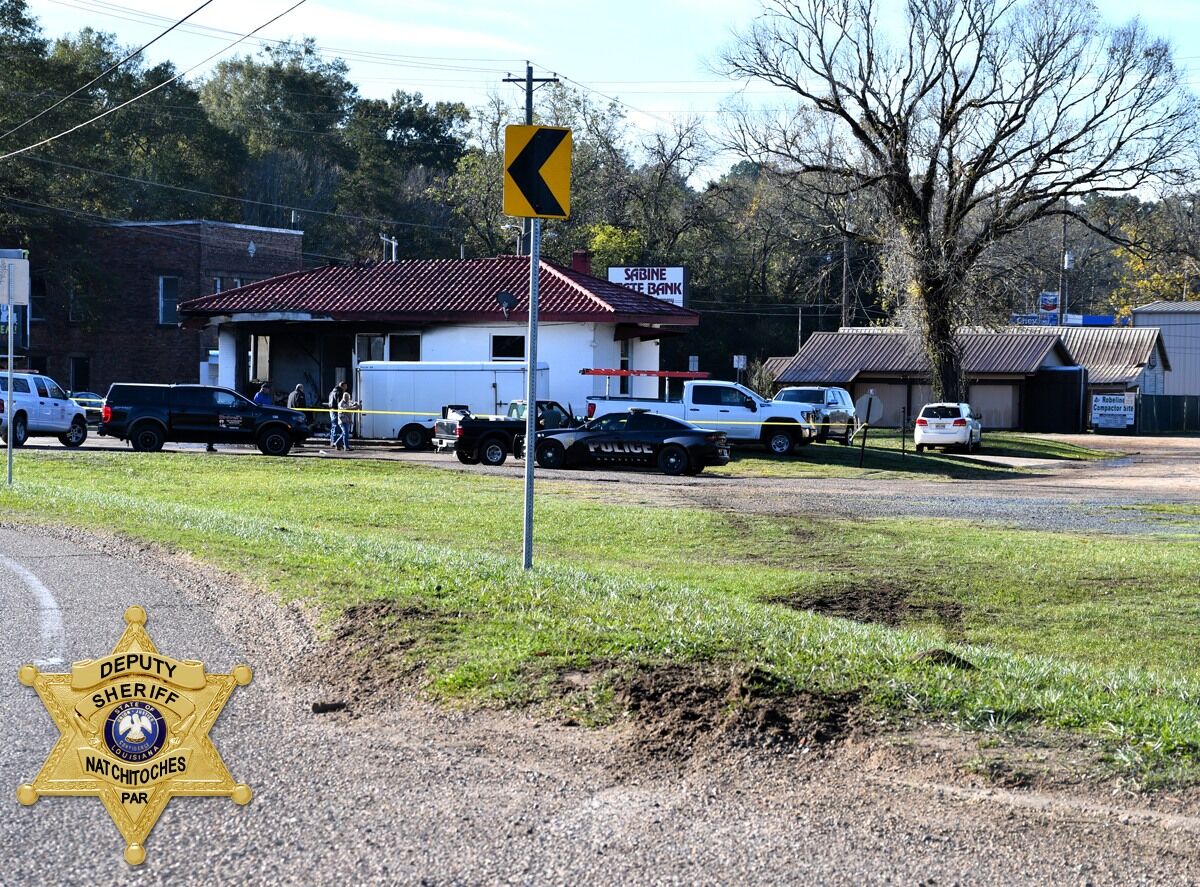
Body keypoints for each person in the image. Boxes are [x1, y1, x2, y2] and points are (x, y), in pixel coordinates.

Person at [327, 381, 349, 446]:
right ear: (342, 386)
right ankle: (336, 442)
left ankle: (333, 441)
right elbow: (340, 404)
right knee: (337, 426)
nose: (346, 387)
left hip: (331, 410)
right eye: (346, 386)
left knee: (333, 426)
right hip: (336, 411)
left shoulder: (332, 392)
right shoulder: (340, 392)